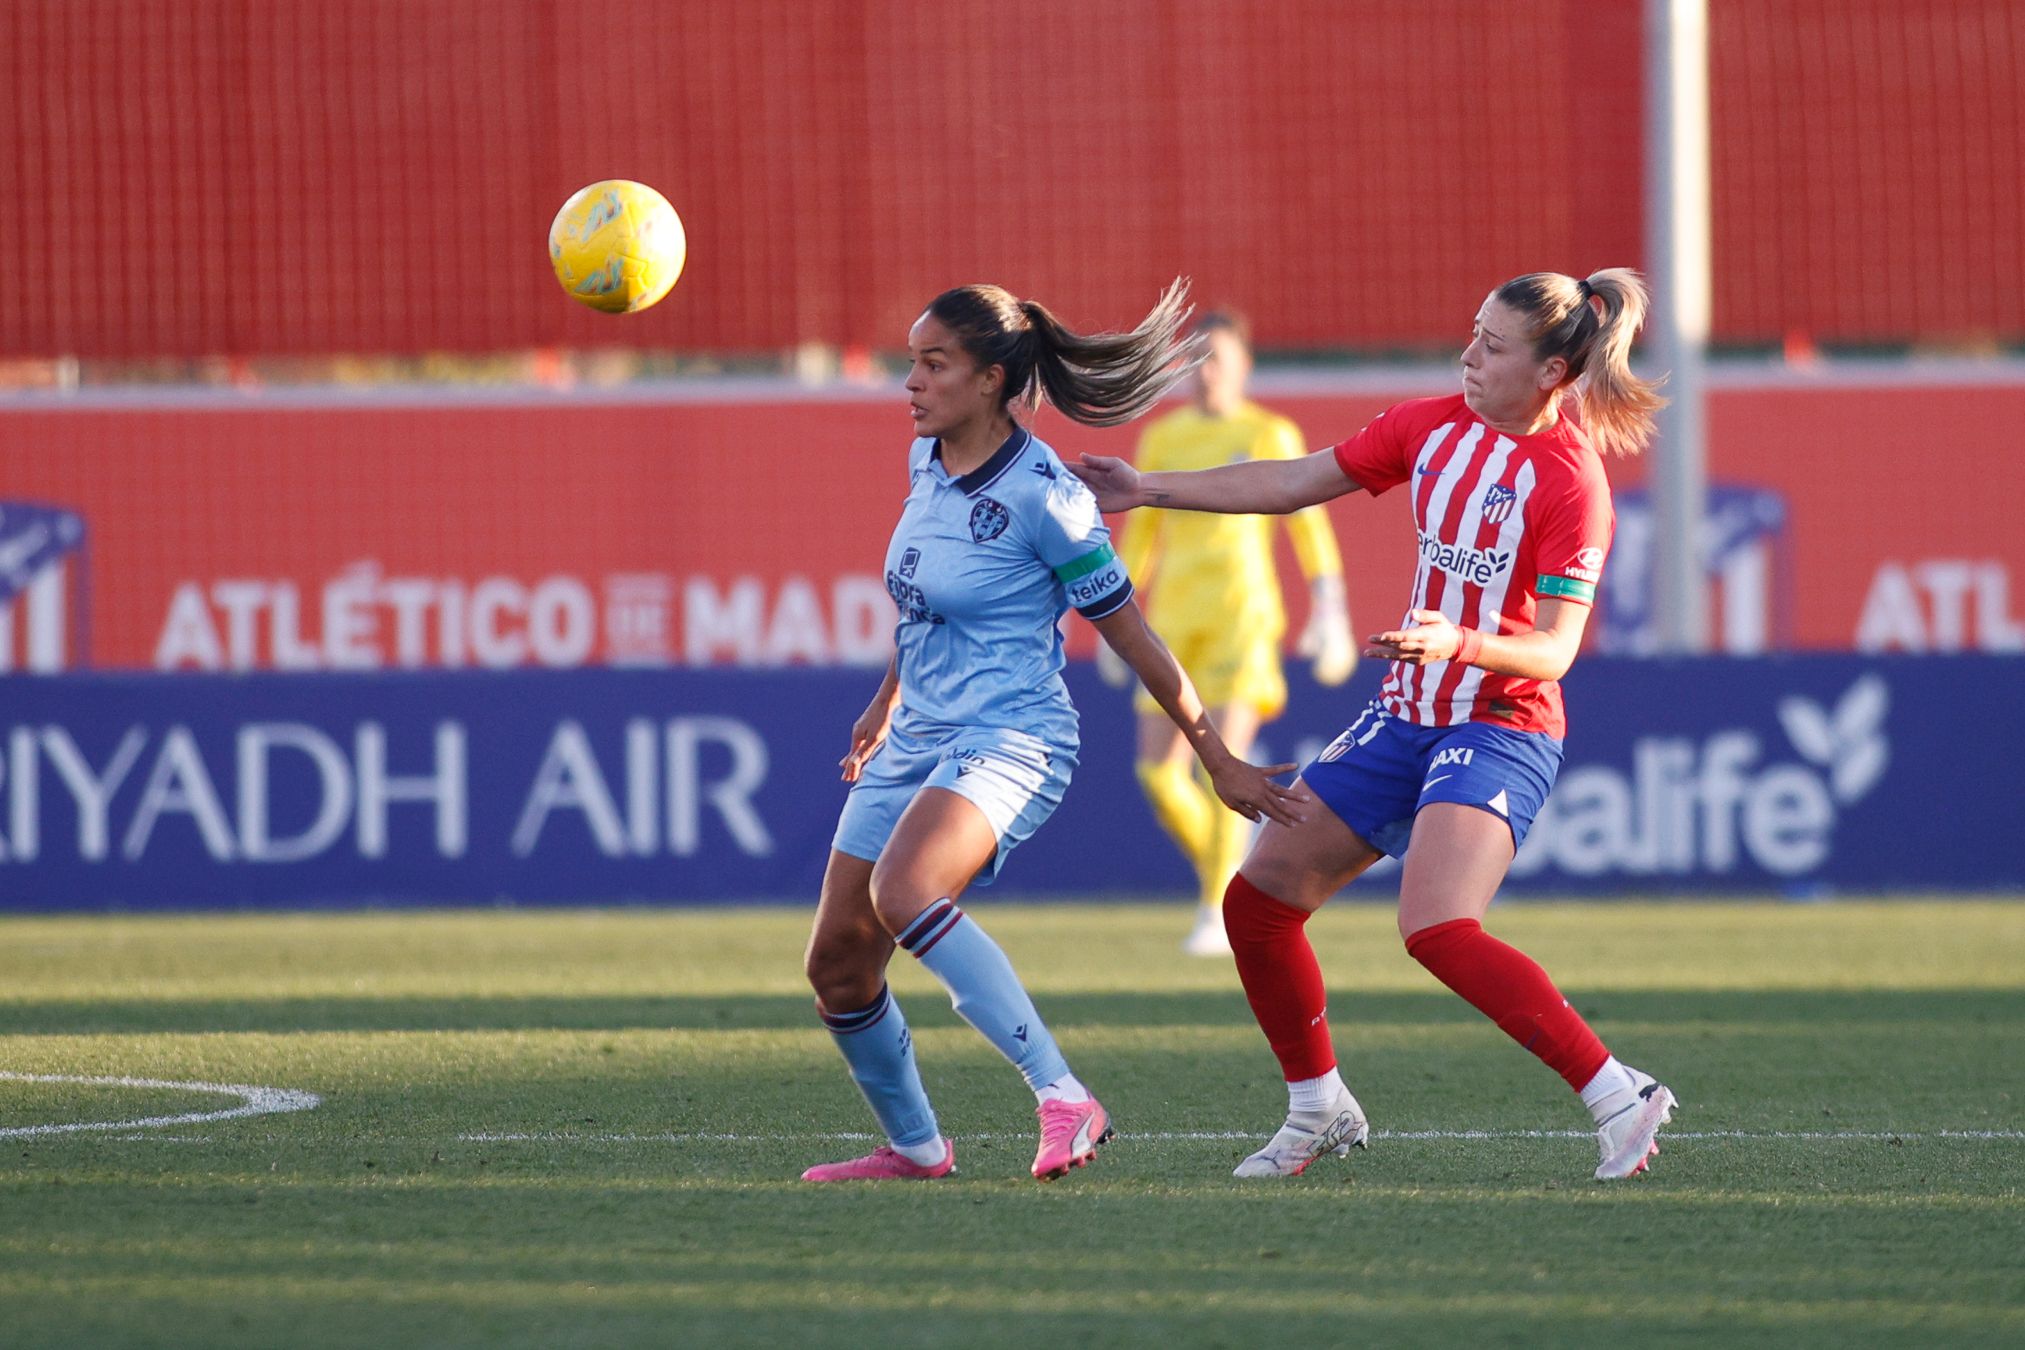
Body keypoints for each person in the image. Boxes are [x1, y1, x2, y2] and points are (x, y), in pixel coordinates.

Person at [1069, 269, 1679, 1181]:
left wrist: (1460, 641)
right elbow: (1292, 482)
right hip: (1405, 714)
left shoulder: (1570, 481)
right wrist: (1147, 487)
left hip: (1500, 724)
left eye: (1493, 346)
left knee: (1437, 928)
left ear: (1552, 371)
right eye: (1471, 333)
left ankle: (1617, 1097)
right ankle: (1318, 1108)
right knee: (1256, 905)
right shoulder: (1428, 427)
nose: (1468, 355)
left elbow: (1554, 650)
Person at [801, 280, 1304, 1184]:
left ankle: (1063, 1095)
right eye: (910, 362)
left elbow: (1134, 635)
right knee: (837, 963)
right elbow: (924, 601)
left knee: (905, 890)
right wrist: (886, 699)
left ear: (990, 379)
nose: (909, 382)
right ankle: (916, 1148)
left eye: (932, 364)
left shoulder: (1050, 500)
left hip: (1012, 735)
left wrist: (1215, 755)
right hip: (917, 731)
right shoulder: (925, 461)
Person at [1098, 310, 1357, 957]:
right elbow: (1141, 532)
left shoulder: (1268, 431)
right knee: (1158, 775)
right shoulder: (1162, 437)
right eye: (1193, 359)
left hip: (1243, 619)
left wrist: (1329, 607)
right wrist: (1110, 611)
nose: (1204, 372)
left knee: (1226, 762)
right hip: (1170, 622)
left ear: (1243, 365)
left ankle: (1216, 909)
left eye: (1216, 357)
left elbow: (1308, 525)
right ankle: (1229, 871)